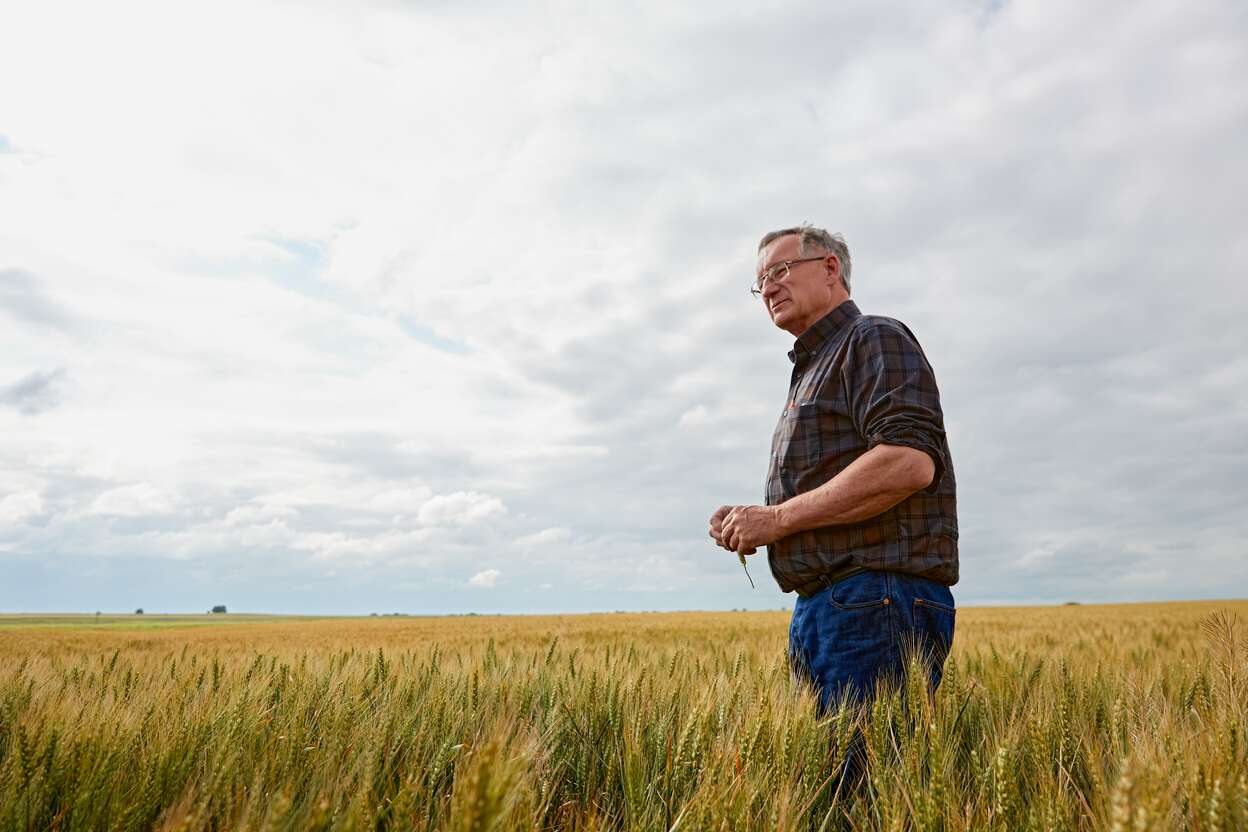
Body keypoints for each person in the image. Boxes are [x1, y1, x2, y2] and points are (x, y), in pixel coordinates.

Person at [708, 224, 959, 718]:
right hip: (832, 606)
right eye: (761, 283)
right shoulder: (814, 365)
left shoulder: (872, 337)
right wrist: (754, 519)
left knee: (859, 786)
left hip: (874, 600)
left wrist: (778, 521)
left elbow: (908, 462)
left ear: (830, 268)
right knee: (830, 783)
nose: (770, 288)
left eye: (780, 270)